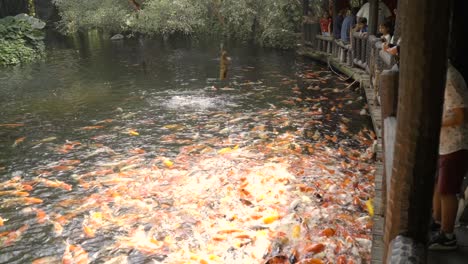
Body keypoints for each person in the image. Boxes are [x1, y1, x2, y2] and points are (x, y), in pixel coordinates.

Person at [430, 63, 468, 251]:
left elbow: (460, 116)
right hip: (445, 143)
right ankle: (438, 223)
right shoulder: (443, 74)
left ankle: (448, 235)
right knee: (439, 184)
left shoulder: (450, 78)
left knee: (447, 190)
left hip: (455, 143)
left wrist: (434, 122)